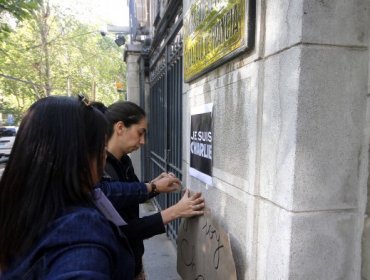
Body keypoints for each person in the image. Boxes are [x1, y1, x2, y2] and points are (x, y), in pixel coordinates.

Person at [0, 96, 139, 279]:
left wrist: (151, 188)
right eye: (100, 147)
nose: (104, 155)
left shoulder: (21, 209)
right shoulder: (81, 233)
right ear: (77, 155)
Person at [97, 100, 205, 279]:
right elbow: (123, 231)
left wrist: (155, 187)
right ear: (120, 127)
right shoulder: (101, 169)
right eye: (140, 133)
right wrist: (174, 212)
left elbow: (129, 196)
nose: (143, 141)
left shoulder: (124, 160)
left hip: (133, 263)